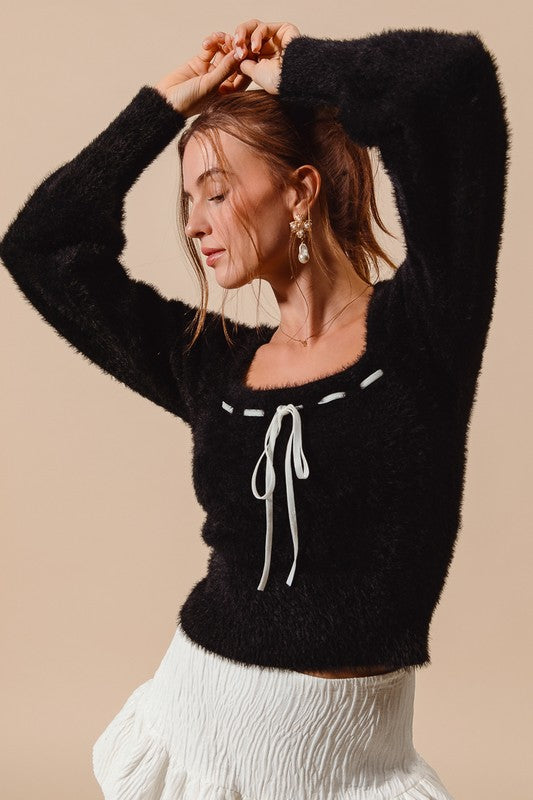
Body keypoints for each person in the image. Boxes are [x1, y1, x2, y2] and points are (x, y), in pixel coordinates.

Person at [0, 18, 509, 800]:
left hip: (354, 774)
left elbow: (452, 79)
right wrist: (164, 109)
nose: (194, 223)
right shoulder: (215, 366)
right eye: (187, 200)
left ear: (299, 190)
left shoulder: (421, 333)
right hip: (191, 741)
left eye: (217, 191)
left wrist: (304, 69)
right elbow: (42, 247)